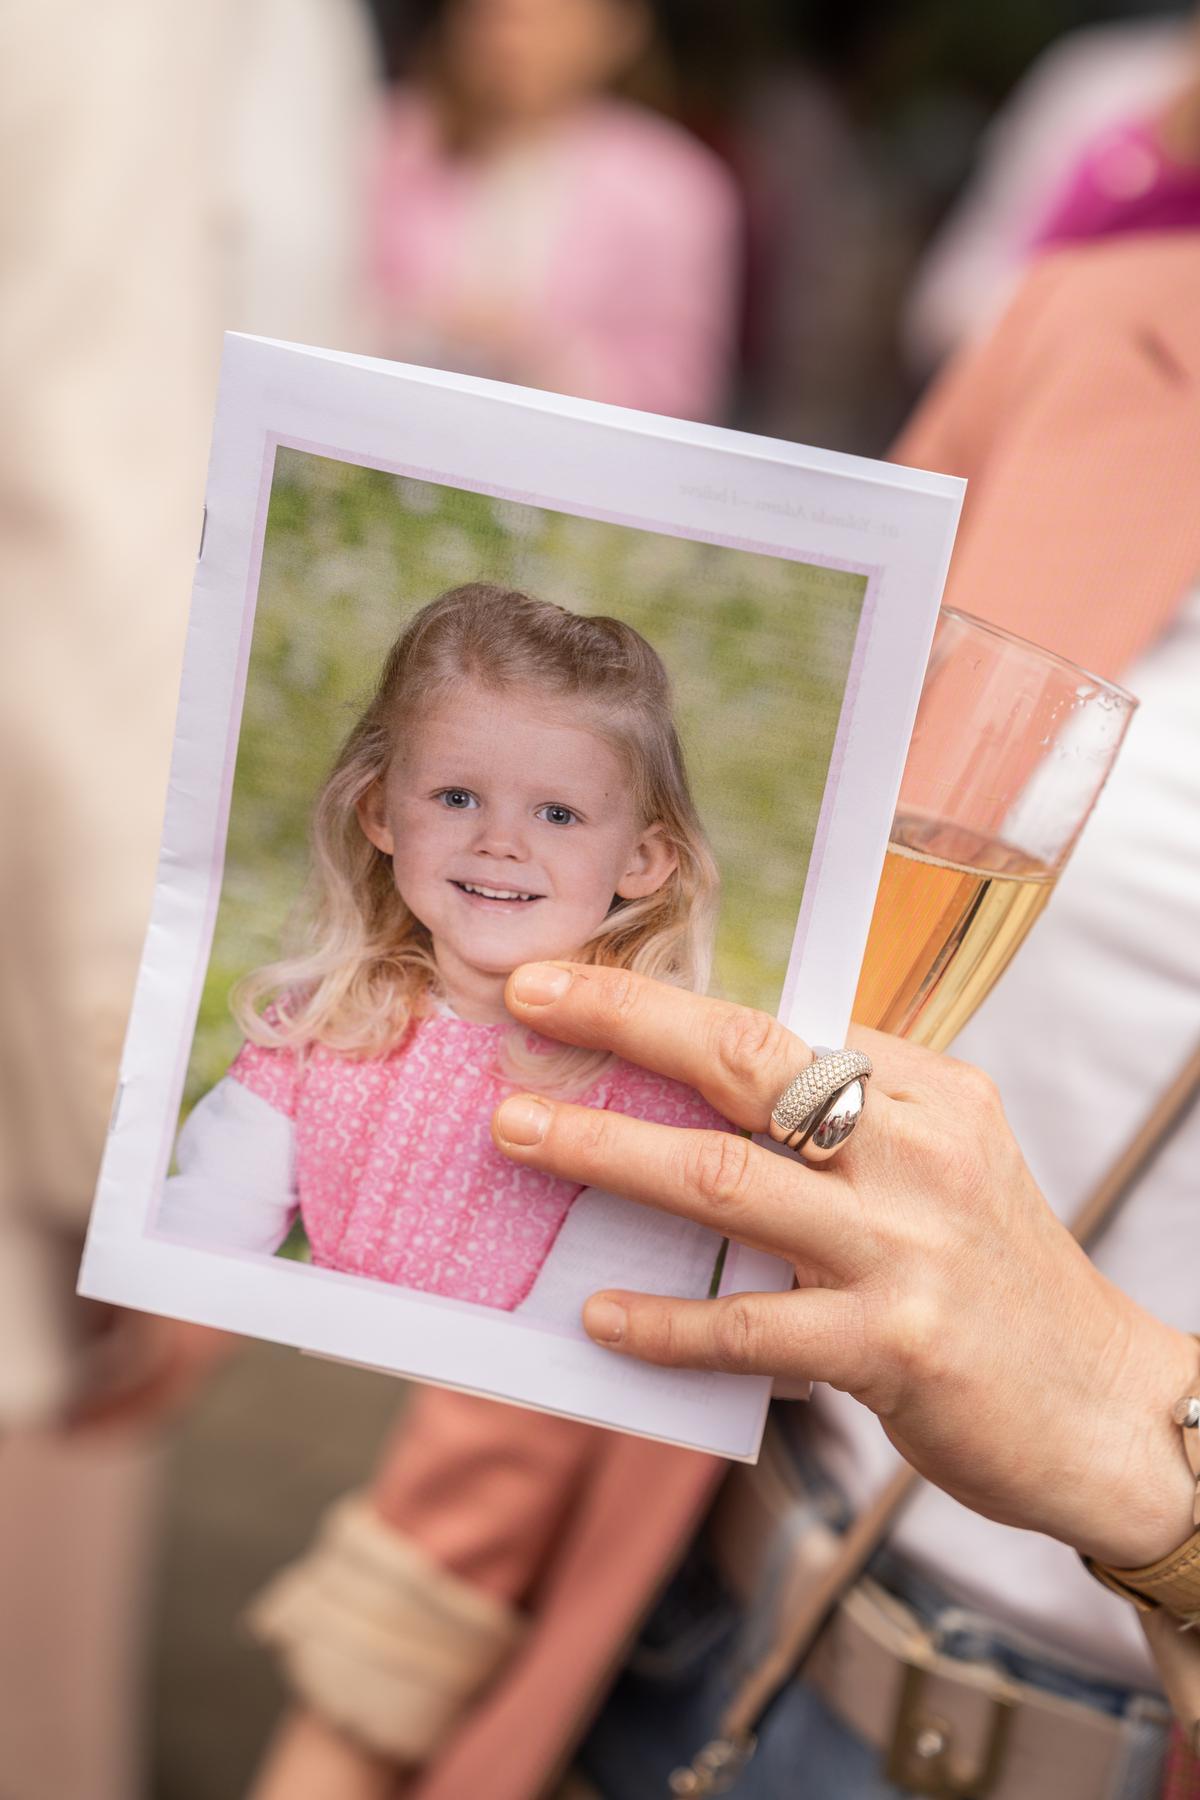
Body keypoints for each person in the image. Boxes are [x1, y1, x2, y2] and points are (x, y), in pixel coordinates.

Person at [242, 231, 1200, 1800]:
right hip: (701, 1642)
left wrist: (1159, 1445)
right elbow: (671, 1118)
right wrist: (378, 1679)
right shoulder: (1105, 331)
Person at [160, 584, 728, 1310]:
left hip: (492, 1415)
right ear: (380, 812)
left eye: (558, 813)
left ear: (642, 860)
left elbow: (588, 1333)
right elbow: (199, 1236)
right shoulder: (320, 1026)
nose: (499, 842)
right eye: (457, 797)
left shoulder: (648, 1093)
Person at [369, 0, 741, 419]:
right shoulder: (386, 139)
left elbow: (682, 386)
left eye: (547, 19)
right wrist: (418, 328)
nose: (510, 40)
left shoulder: (676, 187)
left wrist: (538, 354)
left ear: (619, 32)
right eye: (492, 15)